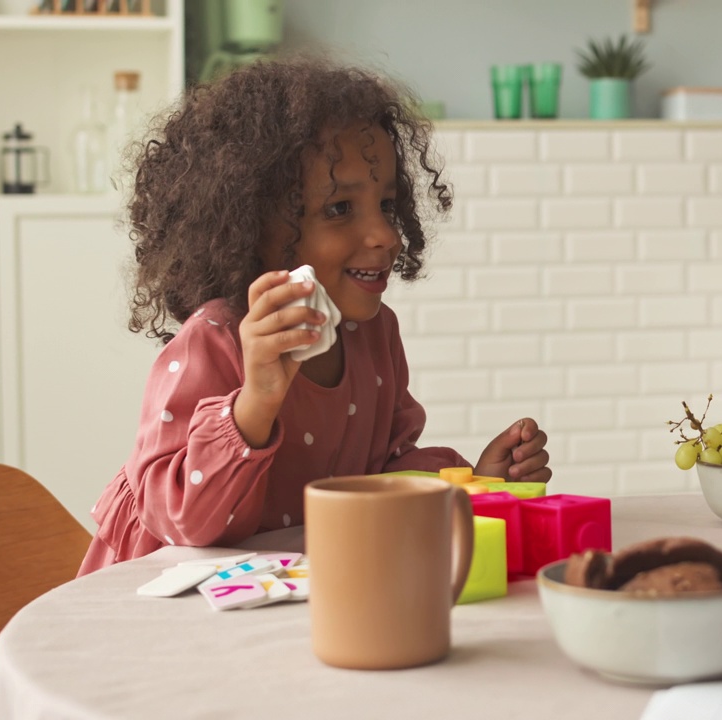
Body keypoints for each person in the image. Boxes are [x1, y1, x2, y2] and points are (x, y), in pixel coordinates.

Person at [78, 57, 551, 576]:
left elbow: (379, 477)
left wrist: (475, 483)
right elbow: (186, 524)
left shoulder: (374, 332)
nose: (386, 236)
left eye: (387, 206)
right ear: (247, 224)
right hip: (162, 596)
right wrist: (257, 402)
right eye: (341, 209)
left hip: (277, 591)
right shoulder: (215, 340)